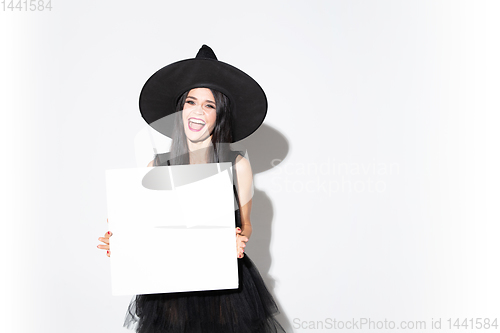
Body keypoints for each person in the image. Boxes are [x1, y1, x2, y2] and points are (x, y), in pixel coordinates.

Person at [97, 45, 285, 333]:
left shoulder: (237, 165)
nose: (197, 111)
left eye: (209, 105)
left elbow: (245, 226)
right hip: (170, 290)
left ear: (219, 114)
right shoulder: (156, 166)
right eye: (190, 102)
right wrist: (123, 246)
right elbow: (147, 231)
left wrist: (237, 241)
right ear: (180, 109)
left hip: (226, 290)